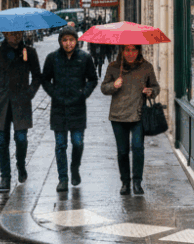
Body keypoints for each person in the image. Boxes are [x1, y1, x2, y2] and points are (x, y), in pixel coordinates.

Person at [0, 30, 42, 193]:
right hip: (1, 102)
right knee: (2, 142)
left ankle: (21, 165)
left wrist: (30, 93)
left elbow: (37, 77)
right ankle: (5, 177)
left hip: (21, 102)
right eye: (12, 34)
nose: (16, 36)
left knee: (21, 139)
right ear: (5, 34)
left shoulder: (29, 52)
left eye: (19, 33)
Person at [42, 27, 98, 192]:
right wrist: (54, 94)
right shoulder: (52, 58)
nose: (68, 43)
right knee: (60, 145)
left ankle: (75, 167)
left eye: (71, 40)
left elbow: (92, 79)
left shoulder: (84, 58)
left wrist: (83, 94)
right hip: (59, 108)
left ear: (76, 41)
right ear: (60, 41)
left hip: (77, 107)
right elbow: (45, 80)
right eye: (65, 40)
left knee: (77, 142)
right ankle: (63, 178)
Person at [100, 44, 159, 195]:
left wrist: (150, 91)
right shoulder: (114, 67)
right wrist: (113, 85)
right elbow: (104, 88)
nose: (130, 53)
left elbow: (155, 87)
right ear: (122, 51)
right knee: (122, 151)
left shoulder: (147, 67)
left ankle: (137, 182)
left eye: (133, 50)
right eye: (127, 50)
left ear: (138, 51)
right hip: (118, 116)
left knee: (138, 148)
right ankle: (125, 182)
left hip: (138, 114)